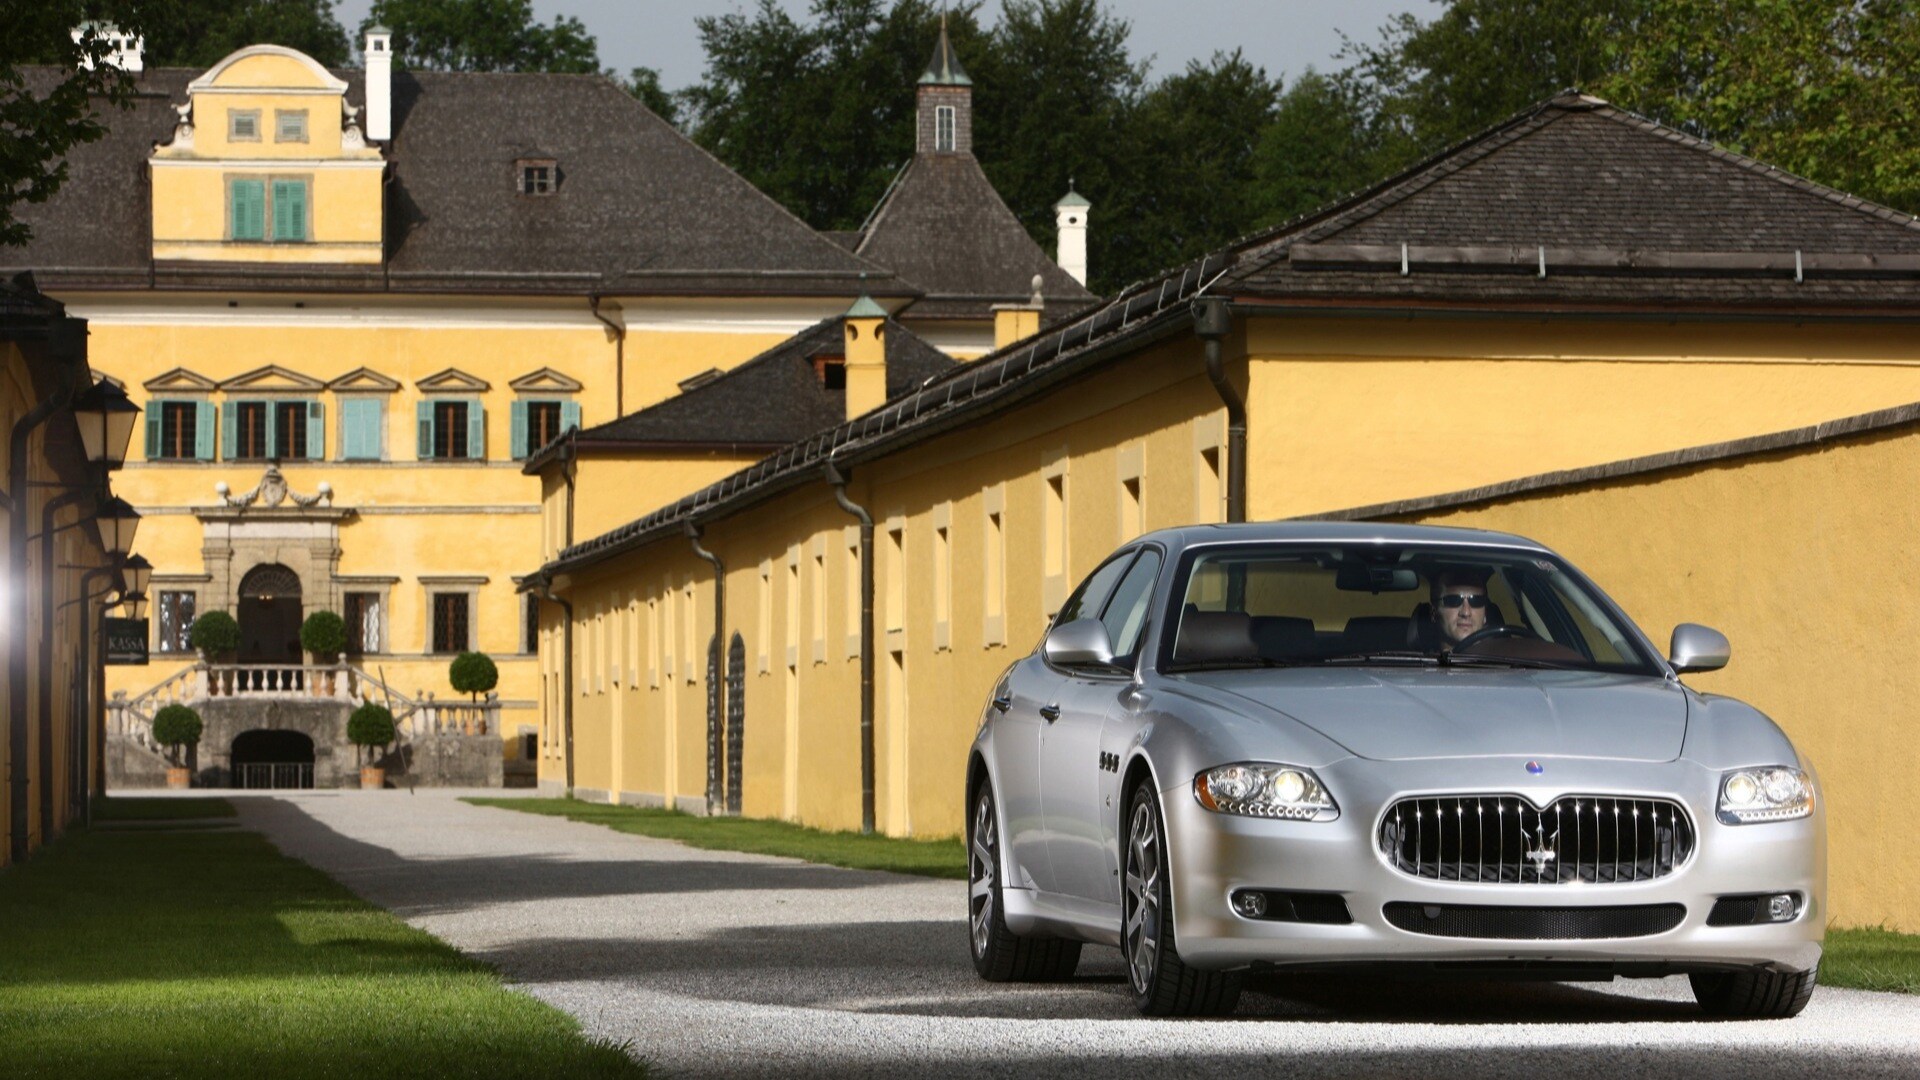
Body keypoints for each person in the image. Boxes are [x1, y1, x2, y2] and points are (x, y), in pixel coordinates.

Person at [1428, 568, 1492, 652]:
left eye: (1476, 601)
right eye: (1453, 601)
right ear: (1433, 612)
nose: (1466, 612)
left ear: (1485, 614)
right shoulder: (1416, 660)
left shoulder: (1504, 656)